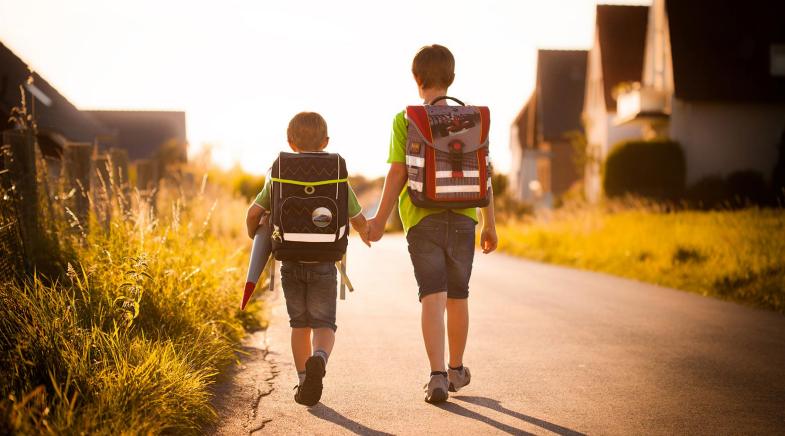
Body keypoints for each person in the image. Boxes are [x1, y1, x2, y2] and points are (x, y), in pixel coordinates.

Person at [367, 44, 498, 403]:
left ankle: (437, 376)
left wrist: (378, 221)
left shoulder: (406, 118)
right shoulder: (474, 119)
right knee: (458, 296)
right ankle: (457, 369)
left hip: (421, 219)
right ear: (452, 78)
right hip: (464, 217)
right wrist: (490, 223)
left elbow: (397, 173)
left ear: (417, 79)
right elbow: (484, 173)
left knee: (432, 296)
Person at [246, 112, 370, 406]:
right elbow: (356, 217)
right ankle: (320, 359)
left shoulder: (279, 171)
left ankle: (303, 381)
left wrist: (257, 236)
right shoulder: (336, 172)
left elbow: (253, 212)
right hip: (325, 261)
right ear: (326, 141)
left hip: (290, 260)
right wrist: (368, 232)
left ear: (290, 142)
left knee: (298, 325)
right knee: (324, 324)